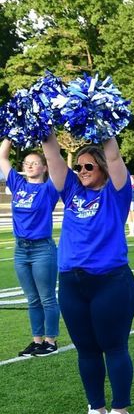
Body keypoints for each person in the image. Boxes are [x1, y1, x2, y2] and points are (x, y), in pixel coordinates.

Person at [41, 132, 134, 414]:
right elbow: (53, 158)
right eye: (79, 168)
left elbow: (113, 157)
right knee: (85, 349)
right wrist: (43, 127)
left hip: (110, 282)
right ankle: (95, 408)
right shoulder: (71, 191)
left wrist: (106, 127)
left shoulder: (117, 194)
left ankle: (120, 411)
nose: (81, 172)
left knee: (113, 346)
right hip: (72, 281)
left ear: (102, 170)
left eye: (88, 167)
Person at [1, 139, 60, 357]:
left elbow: (55, 157)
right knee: (33, 299)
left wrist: (46, 136)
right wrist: (10, 133)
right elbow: (2, 157)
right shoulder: (18, 184)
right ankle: (36, 341)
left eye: (35, 163)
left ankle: (50, 341)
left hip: (42, 249)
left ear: (44, 167)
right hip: (20, 250)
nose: (30, 165)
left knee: (47, 298)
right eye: (27, 162)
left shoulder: (49, 189)